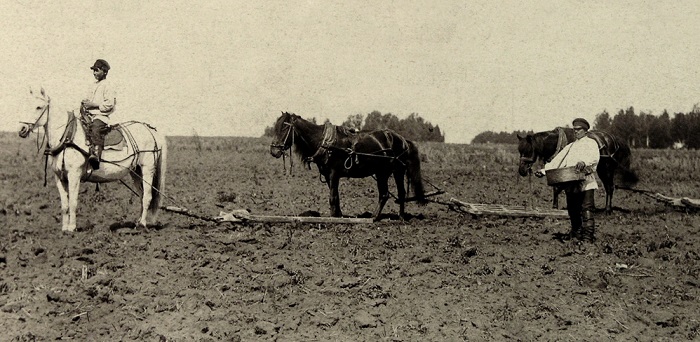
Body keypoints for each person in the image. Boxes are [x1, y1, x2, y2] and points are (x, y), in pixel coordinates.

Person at [535, 118, 600, 242]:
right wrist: (544, 171)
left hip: (586, 182)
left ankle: (587, 238)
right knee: (573, 210)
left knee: (587, 209)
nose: (575, 132)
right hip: (571, 182)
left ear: (585, 131)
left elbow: (594, 158)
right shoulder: (570, 146)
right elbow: (557, 161)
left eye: (578, 130)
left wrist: (584, 163)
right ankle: (576, 234)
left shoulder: (591, 143)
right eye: (574, 130)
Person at [81, 59, 116, 170]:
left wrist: (93, 105)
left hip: (101, 116)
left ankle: (96, 156)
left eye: (97, 70)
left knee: (96, 128)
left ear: (104, 72)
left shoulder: (108, 86)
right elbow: (88, 100)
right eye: (94, 71)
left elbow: (109, 104)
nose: (94, 73)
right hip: (89, 115)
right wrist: (85, 104)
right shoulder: (93, 85)